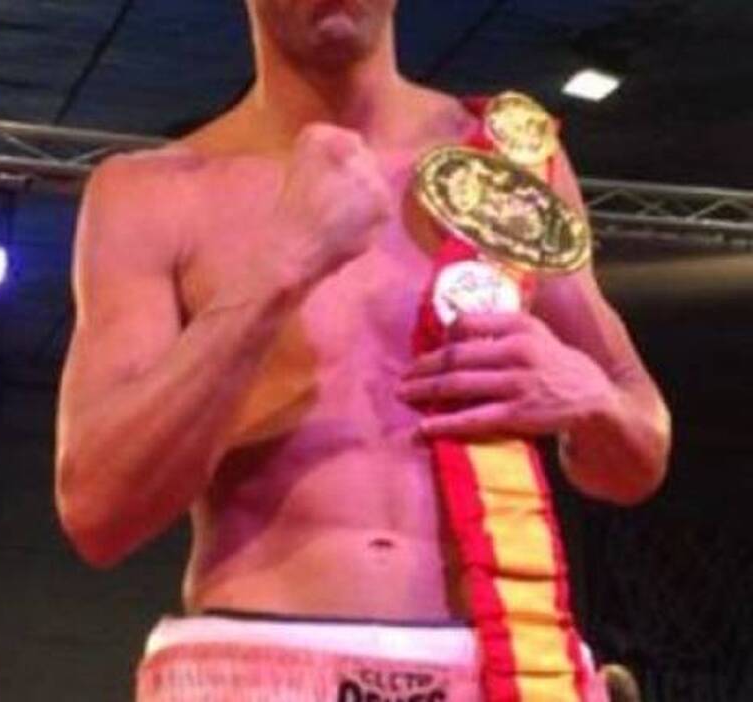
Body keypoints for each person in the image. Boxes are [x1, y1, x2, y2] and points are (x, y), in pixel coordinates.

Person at [54, 0, 670, 699]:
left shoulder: (512, 167)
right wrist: (280, 269)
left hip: (501, 661)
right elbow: (98, 509)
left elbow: (639, 455)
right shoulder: (152, 193)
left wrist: (590, 401)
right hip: (260, 663)